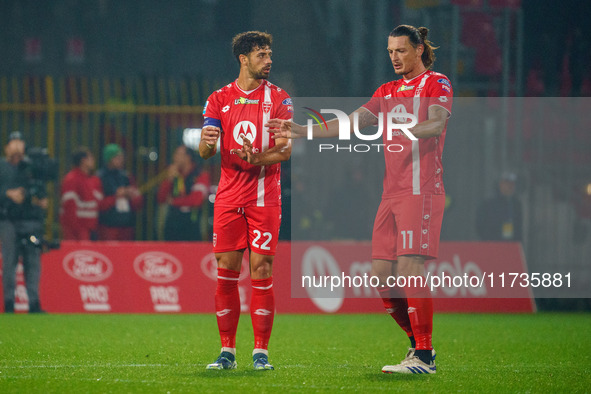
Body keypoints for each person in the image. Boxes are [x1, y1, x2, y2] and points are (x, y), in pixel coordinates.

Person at [267, 25, 452, 374]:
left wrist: (404, 128)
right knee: (381, 275)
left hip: (421, 189)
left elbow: (436, 124)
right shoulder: (386, 91)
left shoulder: (436, 83)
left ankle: (424, 356)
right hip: (391, 193)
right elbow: (351, 124)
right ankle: (418, 346)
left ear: (419, 50)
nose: (394, 57)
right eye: (390, 51)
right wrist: (304, 130)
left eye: (400, 50)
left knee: (411, 268)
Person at [199, 31, 292, 371]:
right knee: (226, 272)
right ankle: (227, 352)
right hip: (227, 199)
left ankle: (261, 353)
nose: (269, 60)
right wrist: (206, 141)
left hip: (264, 199)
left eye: (269, 54)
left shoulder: (279, 98)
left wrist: (258, 158)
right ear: (244, 58)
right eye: (262, 55)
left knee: (262, 269)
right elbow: (206, 150)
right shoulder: (218, 99)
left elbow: (286, 149)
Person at [0, 131, 48, 313]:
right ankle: (9, 303)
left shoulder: (30, 167)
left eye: (20, 141)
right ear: (6, 147)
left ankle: (34, 303)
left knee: (32, 260)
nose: (17, 145)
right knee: (10, 261)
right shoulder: (2, 166)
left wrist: (38, 199)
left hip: (30, 221)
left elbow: (40, 189)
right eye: (13, 142)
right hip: (7, 220)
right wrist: (7, 194)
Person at [156, 144, 210, 241]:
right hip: (172, 226)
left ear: (188, 157)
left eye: (178, 154)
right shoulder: (173, 174)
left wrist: (173, 202)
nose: (174, 157)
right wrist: (169, 180)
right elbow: (161, 198)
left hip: (192, 226)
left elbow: (196, 200)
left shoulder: (200, 175)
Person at [97, 144, 143, 241]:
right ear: (109, 159)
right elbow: (98, 203)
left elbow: (137, 200)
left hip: (127, 224)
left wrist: (133, 195)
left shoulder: (126, 176)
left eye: (122, 157)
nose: (121, 160)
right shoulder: (100, 177)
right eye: (117, 157)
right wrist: (116, 196)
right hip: (108, 225)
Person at [60, 147, 102, 240]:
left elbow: (99, 203)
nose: (93, 161)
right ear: (83, 160)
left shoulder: (93, 180)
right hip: (77, 230)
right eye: (91, 158)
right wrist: (75, 229)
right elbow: (69, 206)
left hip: (91, 228)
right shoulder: (71, 179)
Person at [476, 171, 523, 242]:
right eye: (507, 183)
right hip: (492, 246)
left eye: (512, 184)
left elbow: (518, 229)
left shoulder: (516, 205)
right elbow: (480, 226)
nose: (510, 186)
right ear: (500, 185)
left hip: (511, 247)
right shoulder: (488, 205)